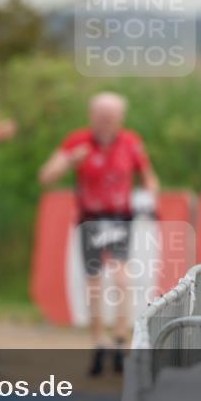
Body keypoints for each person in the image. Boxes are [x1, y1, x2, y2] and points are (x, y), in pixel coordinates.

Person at [39, 92, 159, 376]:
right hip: (90, 220)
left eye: (111, 118)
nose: (106, 123)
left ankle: (119, 337)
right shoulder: (77, 142)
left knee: (121, 279)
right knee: (93, 283)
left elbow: (149, 177)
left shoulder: (130, 142)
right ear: (92, 117)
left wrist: (149, 197)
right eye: (101, 117)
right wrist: (70, 161)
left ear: (120, 118)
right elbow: (46, 177)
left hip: (120, 218)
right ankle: (98, 340)